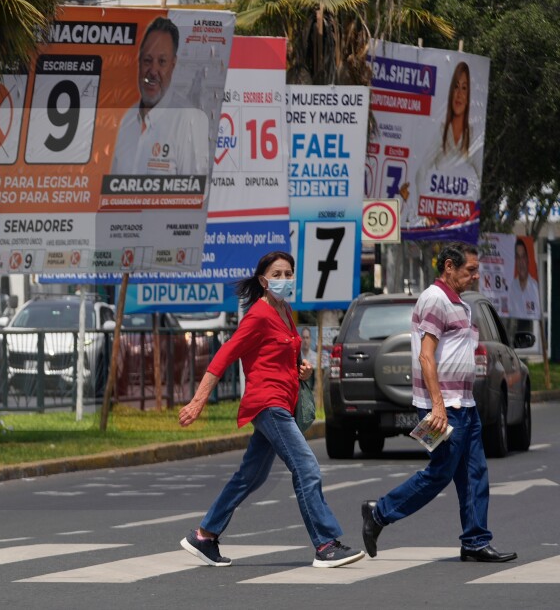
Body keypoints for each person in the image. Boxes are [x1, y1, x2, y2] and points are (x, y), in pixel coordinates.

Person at [178, 251, 365, 569]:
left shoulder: (285, 311)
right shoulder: (258, 315)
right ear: (264, 281)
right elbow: (224, 355)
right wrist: (198, 401)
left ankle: (204, 535)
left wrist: (301, 369)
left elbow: (283, 357)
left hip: (283, 403)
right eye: (277, 274)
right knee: (307, 468)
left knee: (250, 476)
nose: (284, 279)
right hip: (268, 405)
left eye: (289, 273)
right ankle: (325, 545)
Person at [361, 243, 517, 563]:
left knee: (475, 474)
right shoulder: (435, 300)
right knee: (440, 473)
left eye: (476, 270)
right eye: (469, 270)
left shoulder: (461, 303)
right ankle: (379, 514)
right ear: (448, 266)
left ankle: (475, 541)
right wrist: (437, 406)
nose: (475, 276)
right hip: (442, 407)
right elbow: (425, 356)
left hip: (464, 404)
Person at [110, 16, 209, 177]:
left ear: (173, 65)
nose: (153, 71)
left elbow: (195, 195)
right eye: (148, 61)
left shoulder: (187, 119)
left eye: (162, 62)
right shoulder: (127, 120)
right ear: (139, 62)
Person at [401, 62, 480, 229]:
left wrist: (472, 209)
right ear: (451, 92)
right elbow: (420, 172)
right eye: (456, 87)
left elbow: (481, 176)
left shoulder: (473, 136)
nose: (459, 94)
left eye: (464, 88)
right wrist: (426, 210)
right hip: (441, 216)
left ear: (469, 96)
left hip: (463, 219)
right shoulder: (442, 132)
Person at [508, 237, 539, 320]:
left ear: (527, 260)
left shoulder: (535, 287)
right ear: (515, 260)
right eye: (518, 257)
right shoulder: (511, 288)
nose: (521, 262)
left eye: (523, 257)